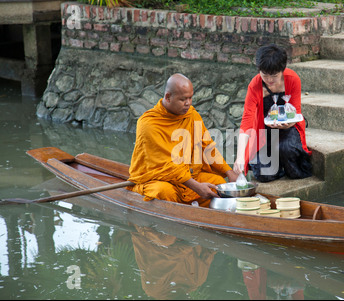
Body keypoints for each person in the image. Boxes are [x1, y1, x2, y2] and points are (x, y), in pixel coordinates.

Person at [127, 73, 238, 207]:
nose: (188, 103)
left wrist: (229, 172)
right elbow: (167, 165)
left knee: (218, 183)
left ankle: (205, 215)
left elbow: (207, 147)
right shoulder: (148, 124)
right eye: (183, 99)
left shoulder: (192, 115)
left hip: (188, 177)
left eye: (190, 98)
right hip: (160, 179)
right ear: (168, 97)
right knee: (163, 192)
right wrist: (196, 186)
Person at [233, 44, 312, 182]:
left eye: (274, 76)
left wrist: (287, 125)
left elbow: (296, 112)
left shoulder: (292, 79)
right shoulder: (255, 85)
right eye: (265, 75)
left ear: (282, 70)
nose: (269, 80)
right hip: (264, 132)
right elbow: (247, 121)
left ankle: (288, 164)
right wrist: (239, 157)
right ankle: (278, 167)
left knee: (286, 148)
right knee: (264, 174)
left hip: (289, 128)